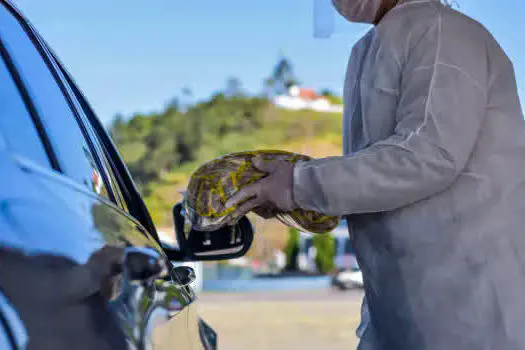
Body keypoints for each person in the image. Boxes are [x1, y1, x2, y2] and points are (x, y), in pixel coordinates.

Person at [226, 0, 525, 348]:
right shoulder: (370, 49)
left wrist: (299, 183)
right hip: (401, 311)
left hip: (476, 308)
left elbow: (429, 156)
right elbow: (379, 180)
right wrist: (296, 196)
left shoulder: (443, 31)